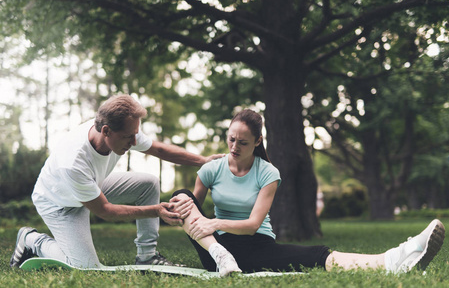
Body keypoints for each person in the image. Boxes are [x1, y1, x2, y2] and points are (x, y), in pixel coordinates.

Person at [171, 109, 445, 274]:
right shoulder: (211, 169)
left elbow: (253, 225)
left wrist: (215, 221)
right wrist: (180, 216)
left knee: (316, 256)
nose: (234, 147)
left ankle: (395, 259)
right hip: (216, 249)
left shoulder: (268, 173)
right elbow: (192, 209)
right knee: (183, 195)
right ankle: (220, 256)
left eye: (242, 142)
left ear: (257, 141)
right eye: (231, 139)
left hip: (255, 246)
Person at [10, 94, 224, 269]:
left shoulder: (122, 129)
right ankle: (32, 240)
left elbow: (157, 149)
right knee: (85, 266)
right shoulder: (74, 161)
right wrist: (157, 211)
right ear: (106, 131)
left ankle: (147, 256)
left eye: (135, 135)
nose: (134, 142)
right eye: (128, 137)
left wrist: (202, 160)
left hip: (93, 185)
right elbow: (105, 211)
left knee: (148, 183)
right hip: (59, 204)